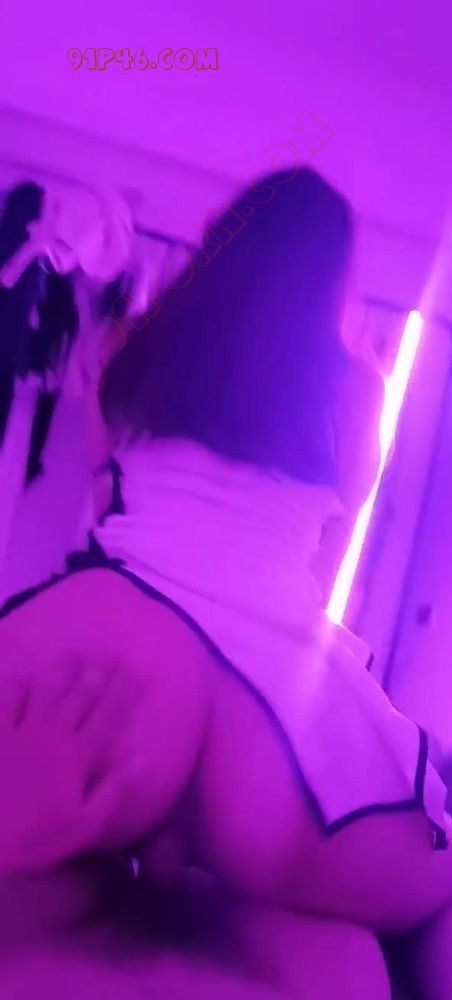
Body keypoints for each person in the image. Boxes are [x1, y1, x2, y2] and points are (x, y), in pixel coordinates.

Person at [0, 166, 449, 999]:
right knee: (436, 894)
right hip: (279, 709)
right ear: (335, 281)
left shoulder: (126, 343)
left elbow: (106, 496)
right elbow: (323, 557)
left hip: (116, 636)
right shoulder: (358, 390)